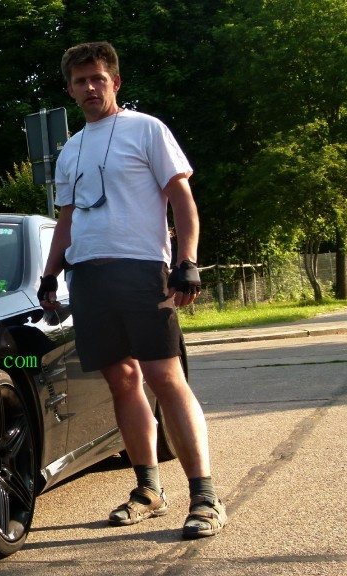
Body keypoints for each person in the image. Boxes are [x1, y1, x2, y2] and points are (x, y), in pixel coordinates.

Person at [37, 41, 226, 539]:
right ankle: (148, 489)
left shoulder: (147, 129)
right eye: (80, 81)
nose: (89, 87)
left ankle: (205, 497)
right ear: (70, 90)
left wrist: (187, 262)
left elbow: (182, 199)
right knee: (122, 381)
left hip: (142, 270)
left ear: (115, 82)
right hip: (88, 277)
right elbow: (67, 219)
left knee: (164, 377)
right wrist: (50, 274)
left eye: (97, 78)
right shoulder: (71, 149)